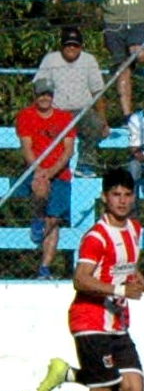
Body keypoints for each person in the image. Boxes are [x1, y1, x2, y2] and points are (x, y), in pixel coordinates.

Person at [32, 169, 144, 391]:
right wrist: (120, 290)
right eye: (115, 195)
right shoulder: (96, 237)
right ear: (105, 198)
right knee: (102, 389)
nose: (122, 200)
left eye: (127, 195)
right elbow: (80, 279)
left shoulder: (135, 229)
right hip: (89, 320)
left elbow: (129, 268)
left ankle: (67, 374)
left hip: (116, 323)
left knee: (133, 389)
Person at [15, 81, 76, 279]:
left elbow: (68, 150)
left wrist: (51, 172)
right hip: (36, 170)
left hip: (59, 173)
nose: (45, 98)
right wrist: (40, 171)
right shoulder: (26, 116)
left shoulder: (64, 117)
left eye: (48, 94)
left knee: (55, 220)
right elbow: (26, 147)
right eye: (41, 94)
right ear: (35, 95)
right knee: (40, 187)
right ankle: (38, 217)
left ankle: (44, 268)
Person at [34, 27, 109, 178]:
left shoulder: (89, 60)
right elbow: (38, 87)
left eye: (75, 45)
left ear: (81, 46)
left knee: (95, 124)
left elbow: (98, 91)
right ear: (62, 46)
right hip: (56, 111)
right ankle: (51, 167)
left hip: (82, 111)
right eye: (68, 44)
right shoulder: (51, 60)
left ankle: (86, 164)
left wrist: (103, 120)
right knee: (46, 134)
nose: (71, 48)